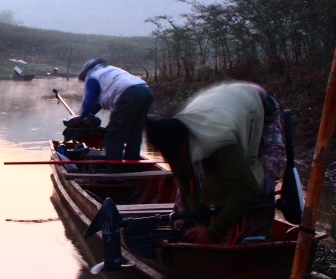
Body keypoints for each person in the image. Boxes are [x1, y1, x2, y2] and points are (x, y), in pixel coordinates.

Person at [145, 82, 285, 245]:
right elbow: (187, 185)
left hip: (258, 105)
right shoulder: (170, 140)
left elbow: (246, 188)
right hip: (224, 108)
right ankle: (191, 238)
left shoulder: (218, 140)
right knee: (184, 194)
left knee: (261, 187)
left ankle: (256, 242)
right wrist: (201, 224)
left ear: (186, 143)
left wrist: (213, 233)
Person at [77, 59, 153, 170]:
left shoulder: (93, 77)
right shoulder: (111, 70)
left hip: (129, 95)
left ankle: (114, 174)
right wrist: (88, 116)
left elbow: (89, 103)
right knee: (134, 134)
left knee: (113, 135)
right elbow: (98, 104)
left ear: (87, 71)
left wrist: (81, 117)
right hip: (146, 92)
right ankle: (131, 169)